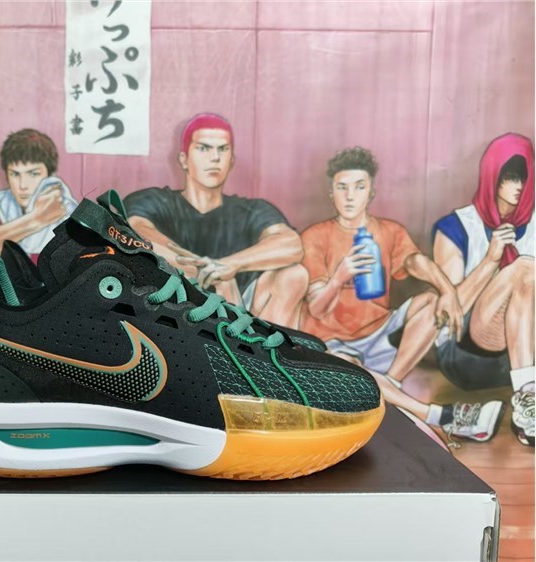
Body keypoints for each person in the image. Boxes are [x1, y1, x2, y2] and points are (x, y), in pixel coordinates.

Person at [301, 146, 502, 444]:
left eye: (359, 186)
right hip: (333, 343)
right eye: (342, 187)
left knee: (432, 301)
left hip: (380, 334)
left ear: (371, 192)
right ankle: (441, 416)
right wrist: (340, 276)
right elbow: (317, 309)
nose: (350, 196)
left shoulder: (389, 231)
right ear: (331, 193)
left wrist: (447, 290)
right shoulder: (314, 236)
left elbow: (416, 263)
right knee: (348, 367)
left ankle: (390, 388)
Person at [124, 113, 308, 328]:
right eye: (204, 148)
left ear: (232, 160)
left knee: (294, 274)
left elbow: (290, 244)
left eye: (223, 149)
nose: (215, 158)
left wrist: (228, 266)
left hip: (247, 312)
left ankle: (261, 347)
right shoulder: (152, 200)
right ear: (184, 159)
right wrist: (206, 272)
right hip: (174, 303)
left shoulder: (253, 209)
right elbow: (137, 231)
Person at [432, 133, 534, 446]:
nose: (519, 186)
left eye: (524, 177)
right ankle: (528, 398)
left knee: (528, 276)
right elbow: (449, 312)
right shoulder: (456, 227)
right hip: (466, 353)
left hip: (518, 356)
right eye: (510, 177)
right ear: (492, 176)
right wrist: (490, 261)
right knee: (525, 267)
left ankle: (528, 397)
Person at [0, 128, 78, 266]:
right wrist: (35, 220)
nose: (23, 185)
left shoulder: (70, 217)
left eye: (33, 174)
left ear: (50, 176)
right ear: (6, 175)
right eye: (15, 174)